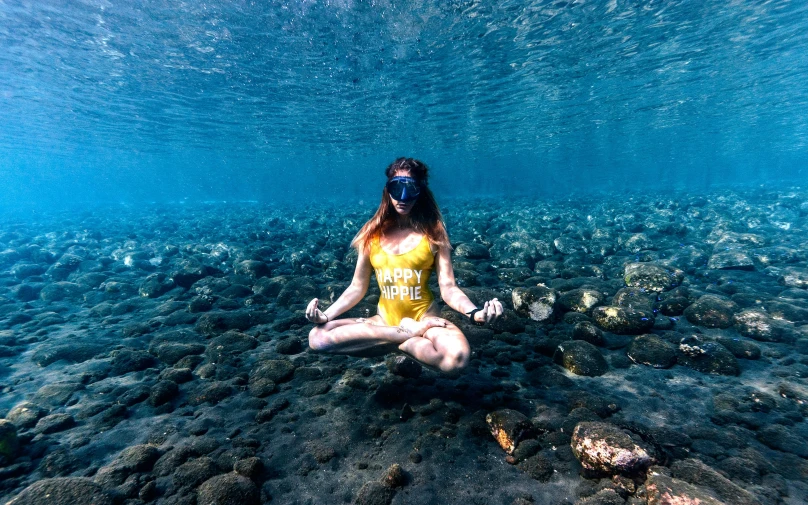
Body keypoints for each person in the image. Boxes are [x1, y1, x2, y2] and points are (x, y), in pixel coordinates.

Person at [306, 158, 503, 373]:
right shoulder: (372, 233)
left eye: (410, 189)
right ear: (387, 190)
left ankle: (402, 339)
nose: (403, 197)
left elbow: (448, 288)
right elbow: (357, 287)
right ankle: (406, 334)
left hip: (425, 318)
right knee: (317, 338)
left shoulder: (434, 232)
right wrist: (326, 315)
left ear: (421, 191)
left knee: (456, 359)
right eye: (396, 187)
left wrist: (475, 313)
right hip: (384, 322)